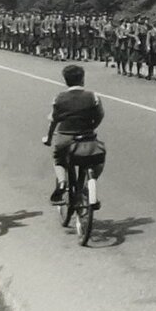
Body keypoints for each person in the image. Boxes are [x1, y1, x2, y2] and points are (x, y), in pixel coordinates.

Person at [43, 65, 105, 209]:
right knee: (99, 159)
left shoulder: (59, 98)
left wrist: (49, 138)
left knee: (58, 159)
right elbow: (100, 115)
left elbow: (53, 121)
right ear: (82, 79)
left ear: (66, 81)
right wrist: (91, 127)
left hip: (65, 138)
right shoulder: (93, 97)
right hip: (87, 138)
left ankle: (62, 182)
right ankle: (89, 185)